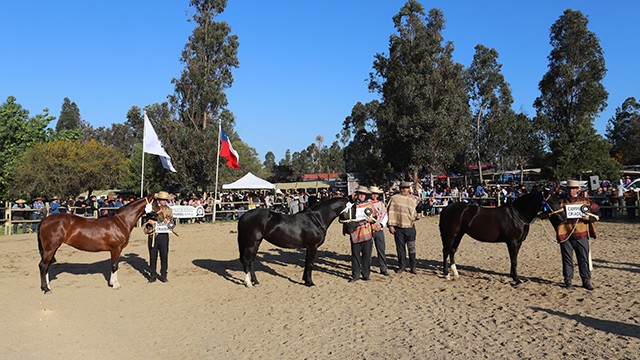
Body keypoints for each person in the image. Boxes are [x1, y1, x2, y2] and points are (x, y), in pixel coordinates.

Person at [556, 180, 597, 291]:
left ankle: (586, 281)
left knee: (583, 259)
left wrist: (589, 219)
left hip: (581, 234)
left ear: (578, 189)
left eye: (574, 188)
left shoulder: (586, 201)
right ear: (566, 189)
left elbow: (598, 212)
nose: (572, 190)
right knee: (567, 259)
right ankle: (568, 281)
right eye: (569, 188)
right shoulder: (561, 202)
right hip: (565, 235)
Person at [386, 181, 424, 274]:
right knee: (400, 248)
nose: (404, 190)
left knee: (411, 248)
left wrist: (429, 205)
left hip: (410, 227)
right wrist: (390, 225)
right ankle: (402, 266)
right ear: (400, 189)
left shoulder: (413, 199)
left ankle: (413, 266)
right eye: (402, 188)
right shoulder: (394, 199)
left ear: (409, 189)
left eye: (406, 188)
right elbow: (390, 211)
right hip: (398, 227)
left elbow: (420, 208)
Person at [341, 186, 375, 282]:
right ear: (357, 194)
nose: (362, 195)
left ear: (366, 195)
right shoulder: (351, 205)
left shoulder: (370, 205)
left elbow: (375, 216)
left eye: (363, 194)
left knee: (367, 255)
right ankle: (355, 275)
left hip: (366, 232)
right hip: (355, 233)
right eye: (360, 193)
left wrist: (371, 220)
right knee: (355, 256)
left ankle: (366, 274)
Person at [146, 191, 175, 283]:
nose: (164, 201)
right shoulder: (152, 209)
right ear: (158, 200)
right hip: (153, 235)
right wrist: (149, 221)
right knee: (153, 256)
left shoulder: (169, 210)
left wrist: (168, 221)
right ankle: (153, 275)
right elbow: (147, 220)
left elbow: (172, 223)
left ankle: (163, 275)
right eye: (162, 200)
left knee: (164, 255)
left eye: (165, 200)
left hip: (163, 235)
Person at [369, 186, 389, 276]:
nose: (374, 195)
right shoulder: (366, 204)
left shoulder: (381, 204)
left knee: (381, 249)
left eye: (376, 193)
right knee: (368, 250)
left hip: (379, 229)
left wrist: (381, 225)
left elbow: (385, 215)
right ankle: (367, 267)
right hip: (369, 229)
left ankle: (383, 268)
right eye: (373, 193)